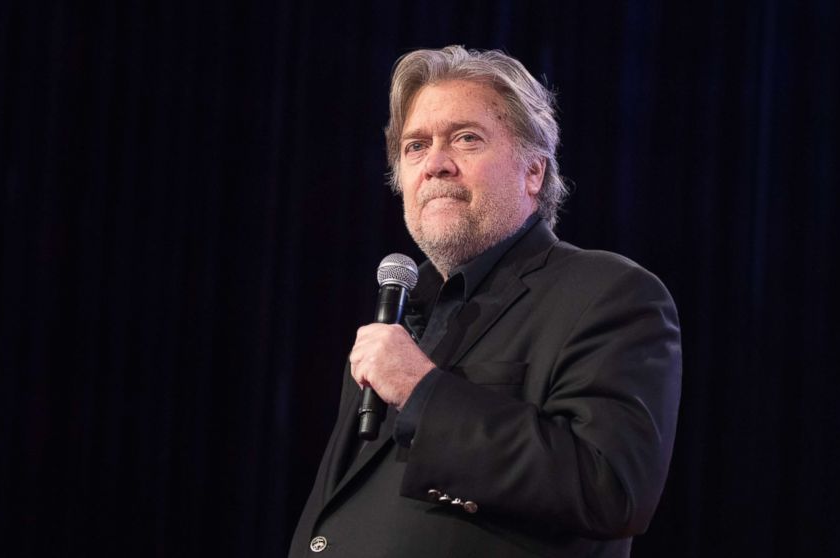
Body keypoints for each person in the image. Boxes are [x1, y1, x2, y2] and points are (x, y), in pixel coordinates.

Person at [290, 45, 681, 558]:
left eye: (466, 139)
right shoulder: (399, 314)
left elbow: (611, 488)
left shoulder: (608, 294)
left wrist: (422, 391)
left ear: (533, 173)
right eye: (415, 146)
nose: (435, 164)